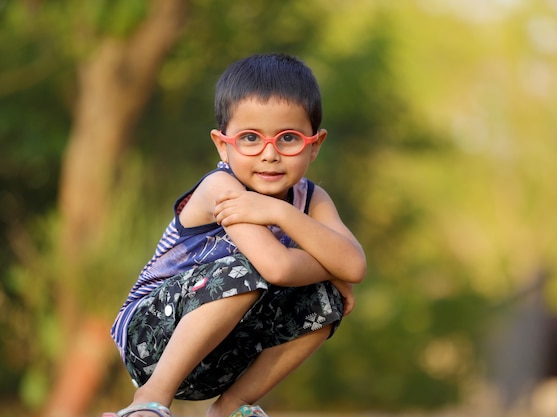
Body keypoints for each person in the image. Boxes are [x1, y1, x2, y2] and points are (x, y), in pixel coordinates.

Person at [103, 53, 367, 417]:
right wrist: (332, 267)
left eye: (288, 138)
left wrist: (280, 213)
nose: (269, 155)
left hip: (223, 356)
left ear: (315, 144)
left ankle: (232, 405)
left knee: (327, 299)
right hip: (152, 338)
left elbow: (354, 265)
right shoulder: (220, 187)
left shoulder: (312, 199)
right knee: (247, 268)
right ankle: (150, 399)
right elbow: (276, 267)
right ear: (222, 144)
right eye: (249, 138)